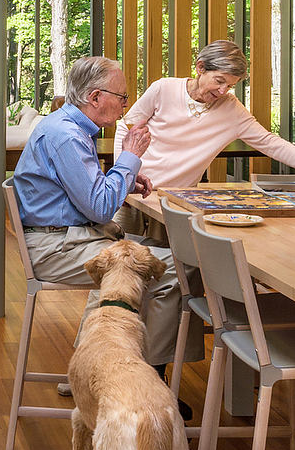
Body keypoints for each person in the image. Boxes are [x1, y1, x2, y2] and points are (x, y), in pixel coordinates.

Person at [12, 54, 199, 406]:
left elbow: (81, 192)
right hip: (55, 246)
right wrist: (129, 158)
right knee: (176, 268)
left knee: (164, 258)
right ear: (95, 97)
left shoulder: (64, 127)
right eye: (122, 96)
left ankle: (93, 368)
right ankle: (149, 378)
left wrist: (123, 179)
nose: (126, 104)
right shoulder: (67, 136)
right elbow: (98, 206)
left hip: (65, 236)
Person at [114, 39, 295, 195]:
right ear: (201, 67)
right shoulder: (163, 89)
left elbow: (270, 143)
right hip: (132, 189)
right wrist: (124, 173)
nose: (223, 91)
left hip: (178, 197)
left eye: (231, 85)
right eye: (219, 81)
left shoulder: (231, 109)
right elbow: (126, 128)